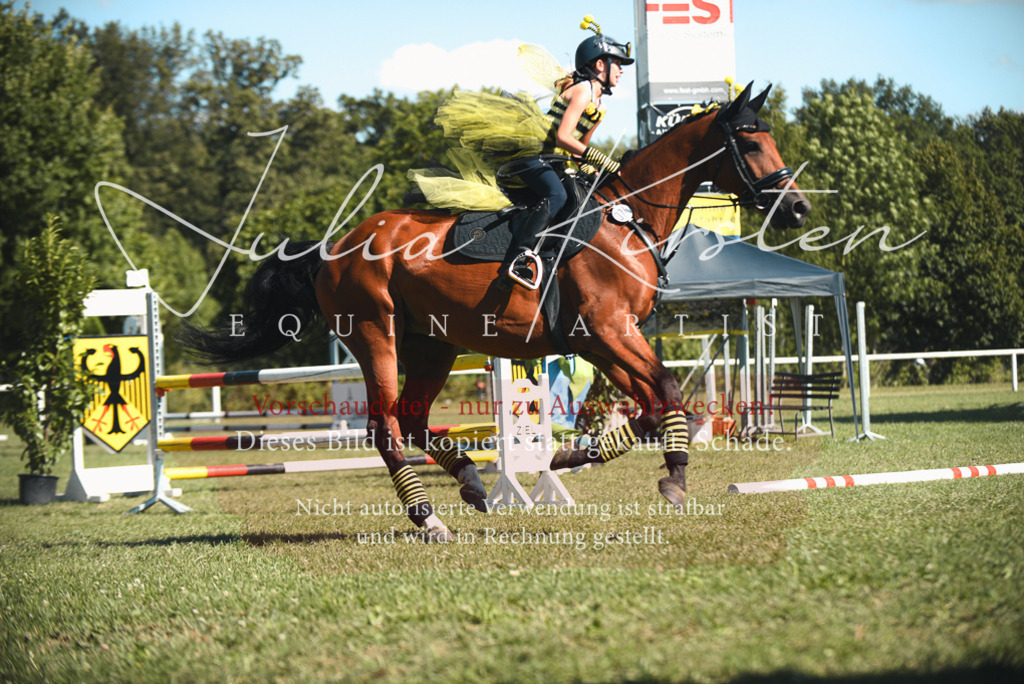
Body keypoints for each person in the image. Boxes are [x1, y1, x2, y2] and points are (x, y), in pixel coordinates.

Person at [409, 17, 632, 290]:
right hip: (532, 153)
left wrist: (590, 169)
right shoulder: (582, 91)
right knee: (557, 195)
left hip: (555, 160)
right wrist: (603, 159)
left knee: (583, 195)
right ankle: (519, 257)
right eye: (618, 64)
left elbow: (579, 147)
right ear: (600, 64)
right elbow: (563, 137)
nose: (621, 71)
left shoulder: (600, 106)